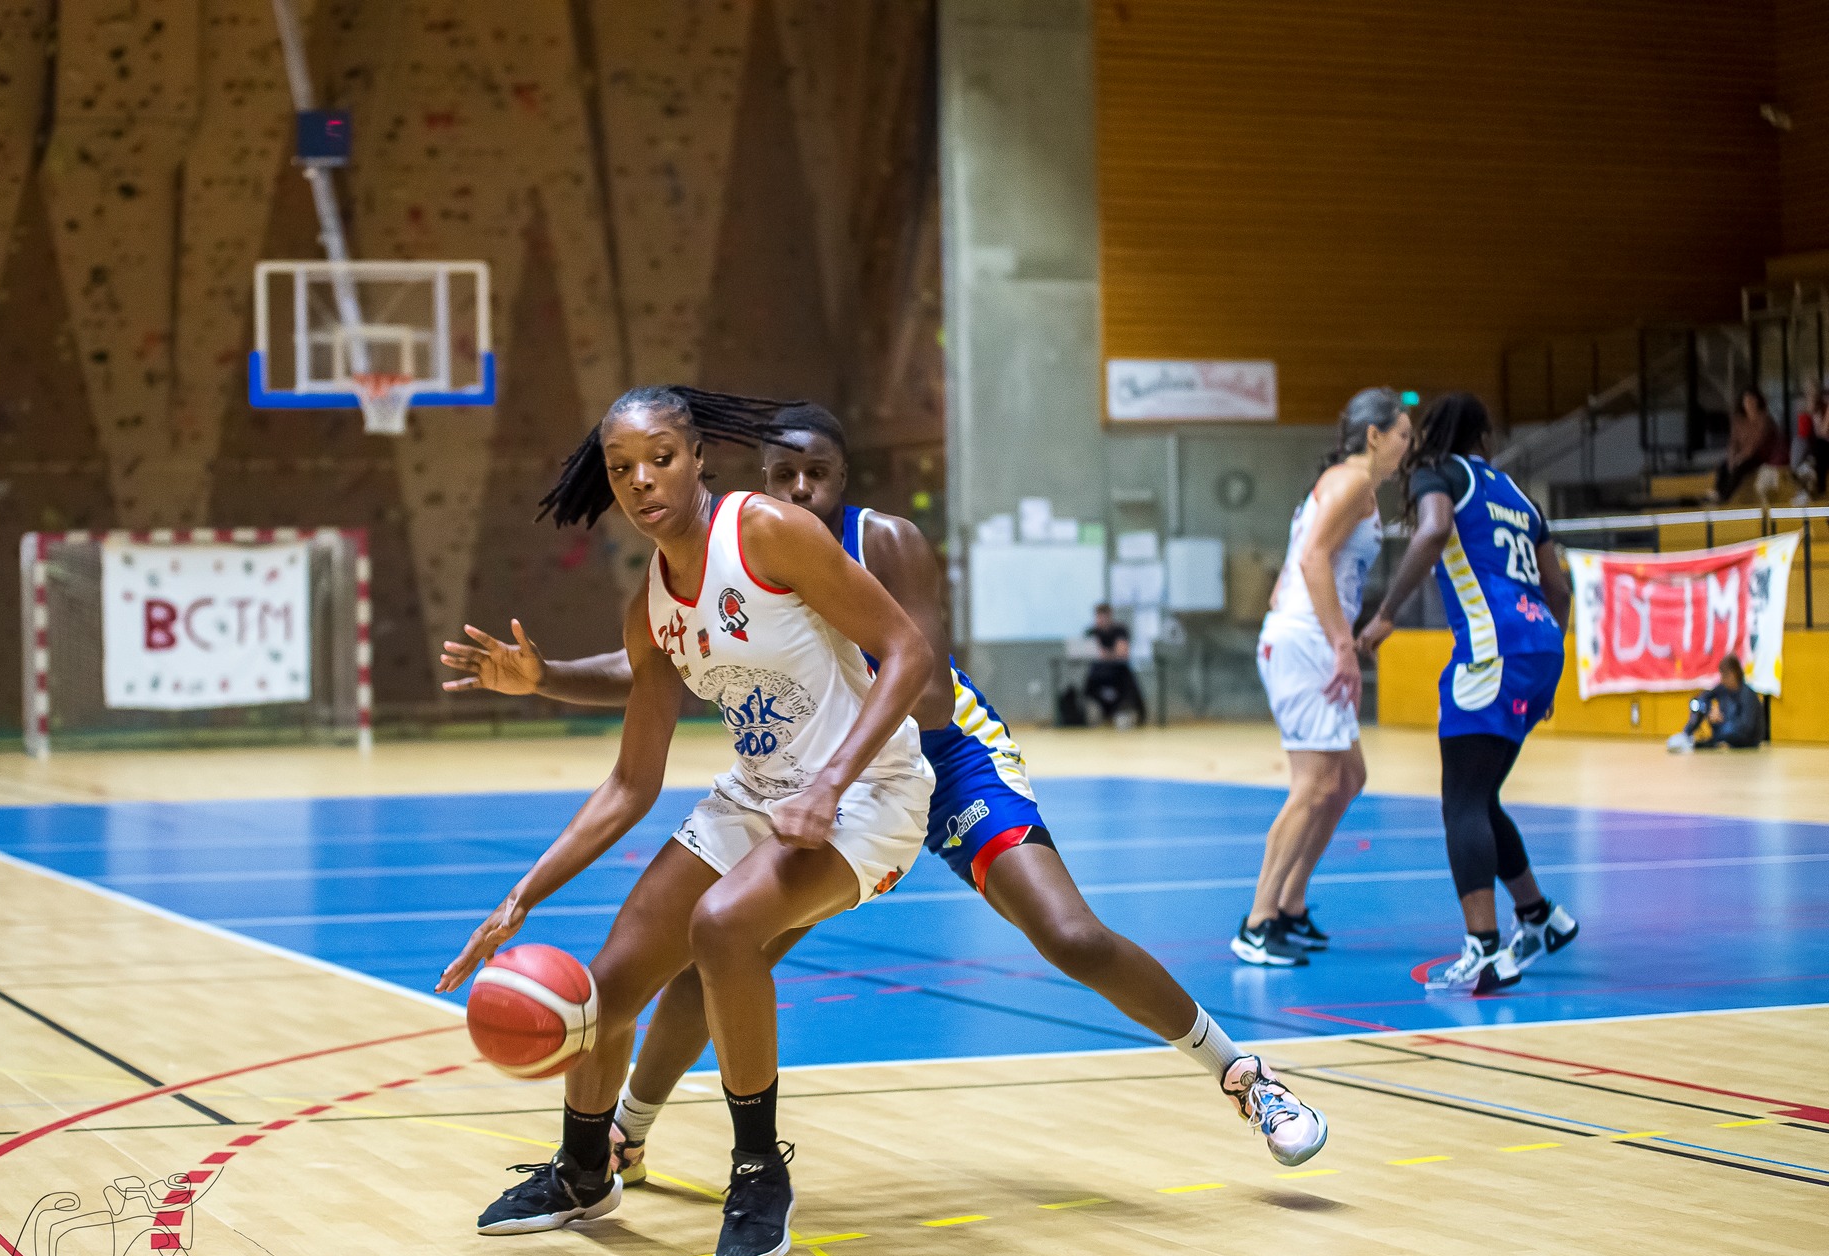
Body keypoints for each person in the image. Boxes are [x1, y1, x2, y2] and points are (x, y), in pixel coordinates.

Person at [442, 402, 1330, 1176]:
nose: (797, 493)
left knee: (1070, 935)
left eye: (815, 476)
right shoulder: (731, 557)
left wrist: (824, 642)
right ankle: (625, 1136)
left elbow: (930, 687)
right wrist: (550, 674)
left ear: (842, 479)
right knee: (713, 956)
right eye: (782, 474)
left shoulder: (875, 542)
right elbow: (664, 666)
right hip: (811, 778)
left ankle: (1244, 1075)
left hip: (938, 761)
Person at [434, 385, 938, 1256]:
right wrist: (520, 898)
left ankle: (757, 1170)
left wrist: (827, 784)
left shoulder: (768, 532)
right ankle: (584, 1172)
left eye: (659, 458)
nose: (642, 481)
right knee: (605, 987)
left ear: (698, 455)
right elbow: (631, 783)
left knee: (722, 926)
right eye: (622, 468)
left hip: (868, 795)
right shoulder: (654, 608)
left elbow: (909, 653)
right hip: (757, 798)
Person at [1358, 391, 1581, 994]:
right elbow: (1559, 594)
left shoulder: (1441, 473)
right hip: (1538, 647)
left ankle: (1484, 951)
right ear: (1484, 435)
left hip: (1490, 649)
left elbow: (1432, 533)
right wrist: (1546, 665)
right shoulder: (1518, 496)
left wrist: (1385, 613)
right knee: (1481, 796)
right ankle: (1539, 916)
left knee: (1461, 801)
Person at [1236, 388, 1410, 968]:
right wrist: (1341, 644)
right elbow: (1312, 560)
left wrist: (1345, 637)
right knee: (1313, 786)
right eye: (1404, 436)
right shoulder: (1352, 482)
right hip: (1305, 641)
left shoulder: (1352, 486)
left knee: (1348, 776)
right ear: (1374, 435)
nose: (1408, 449)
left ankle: (1290, 903)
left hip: (1308, 638)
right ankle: (1258, 921)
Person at [1667, 655, 1764, 752]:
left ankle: (1710, 743)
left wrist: (1725, 720)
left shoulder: (1747, 694)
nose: (1722, 679)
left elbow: (1747, 726)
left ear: (1734, 674)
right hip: (1723, 729)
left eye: (1725, 675)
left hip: (1743, 737)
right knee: (1699, 705)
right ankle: (1686, 735)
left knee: (1728, 730)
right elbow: (1701, 698)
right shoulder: (1723, 688)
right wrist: (1711, 710)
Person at [1711, 388, 1780, 503]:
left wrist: (1742, 457)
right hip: (1739, 455)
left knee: (1740, 469)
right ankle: (1718, 492)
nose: (1749, 404)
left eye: (1752, 400)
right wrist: (1732, 458)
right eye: (1746, 401)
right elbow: (1733, 442)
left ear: (1757, 401)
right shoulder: (1739, 420)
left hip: (1758, 456)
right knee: (1723, 467)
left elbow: (1757, 443)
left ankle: (1725, 496)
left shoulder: (1764, 419)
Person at [1084, 603, 1147, 726]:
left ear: (1109, 616)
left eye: (1103, 616)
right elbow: (1092, 652)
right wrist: (1108, 653)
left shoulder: (1119, 630)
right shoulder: (1092, 632)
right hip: (1099, 674)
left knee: (1127, 697)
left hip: (1118, 673)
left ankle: (1125, 713)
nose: (1100, 620)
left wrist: (1105, 654)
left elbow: (1122, 652)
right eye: (1098, 617)